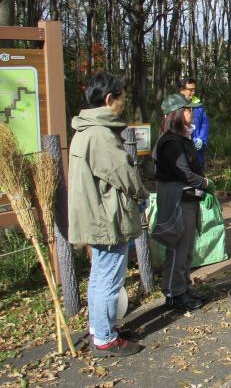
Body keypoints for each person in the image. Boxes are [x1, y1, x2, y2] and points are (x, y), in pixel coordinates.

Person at [68, 72, 149, 357]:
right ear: (108, 100)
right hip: (107, 217)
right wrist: (143, 195)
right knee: (109, 278)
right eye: (122, 97)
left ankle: (100, 328)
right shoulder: (100, 135)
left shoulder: (84, 129)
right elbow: (123, 174)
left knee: (100, 275)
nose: (125, 102)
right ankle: (104, 338)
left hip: (97, 214)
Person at [153, 94, 214, 310]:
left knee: (186, 246)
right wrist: (206, 183)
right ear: (177, 114)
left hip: (187, 196)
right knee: (178, 246)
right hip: (177, 197)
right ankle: (174, 293)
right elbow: (185, 173)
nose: (192, 113)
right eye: (188, 110)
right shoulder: (170, 142)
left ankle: (183, 287)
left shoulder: (181, 139)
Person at [179, 77, 209, 168]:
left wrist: (202, 139)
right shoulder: (176, 105)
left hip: (197, 149)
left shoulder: (198, 105)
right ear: (182, 90)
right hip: (182, 149)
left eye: (194, 89)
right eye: (190, 90)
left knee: (198, 173)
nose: (193, 92)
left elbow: (205, 124)